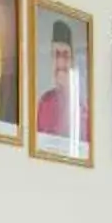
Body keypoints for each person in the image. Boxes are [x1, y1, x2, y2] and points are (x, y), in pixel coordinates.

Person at [36, 20, 85, 150]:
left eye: (65, 55)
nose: (61, 63)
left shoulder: (83, 110)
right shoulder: (44, 103)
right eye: (56, 55)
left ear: (73, 61)